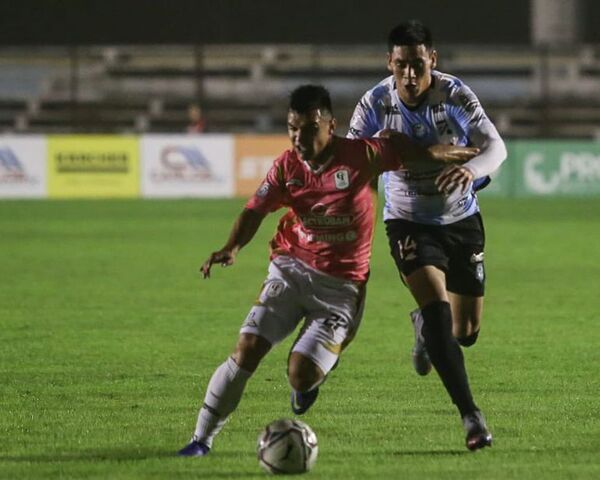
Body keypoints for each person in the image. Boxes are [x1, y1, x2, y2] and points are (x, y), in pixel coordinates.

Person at [178, 84, 479, 457]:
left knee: (301, 374)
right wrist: (232, 247)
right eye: (292, 128)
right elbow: (255, 209)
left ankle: (306, 384)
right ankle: (201, 440)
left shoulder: (362, 155)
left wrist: (446, 155)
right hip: (290, 270)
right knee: (247, 347)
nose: (298, 138)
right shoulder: (287, 167)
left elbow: (409, 153)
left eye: (307, 129)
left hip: (342, 288)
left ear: (329, 125)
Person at [347, 20, 507, 450]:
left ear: (432, 60)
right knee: (438, 311)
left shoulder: (453, 94)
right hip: (407, 220)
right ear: (390, 63)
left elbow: (497, 147)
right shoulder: (375, 103)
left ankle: (425, 329)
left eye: (418, 65)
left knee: (466, 331)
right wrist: (400, 155)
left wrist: (470, 169)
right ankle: (471, 417)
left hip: (460, 219)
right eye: (401, 66)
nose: (410, 76)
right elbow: (348, 159)